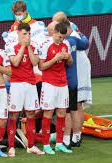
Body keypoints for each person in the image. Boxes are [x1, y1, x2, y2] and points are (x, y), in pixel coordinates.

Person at [52, 11, 92, 147]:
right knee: (75, 108)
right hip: (75, 79)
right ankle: (76, 137)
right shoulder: (74, 39)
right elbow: (85, 44)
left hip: (67, 80)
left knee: (66, 111)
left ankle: (66, 139)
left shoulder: (64, 42)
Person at [5, 23, 45, 157]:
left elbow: (35, 63)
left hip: (31, 84)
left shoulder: (34, 45)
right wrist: (23, 46)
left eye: (28, 34)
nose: (27, 36)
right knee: (14, 115)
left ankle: (31, 146)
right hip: (16, 85)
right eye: (24, 34)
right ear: (18, 34)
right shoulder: (10, 46)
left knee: (31, 114)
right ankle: (11, 146)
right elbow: (15, 62)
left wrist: (28, 47)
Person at [39, 22, 73, 154]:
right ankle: (46, 144)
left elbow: (70, 63)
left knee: (61, 114)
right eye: (59, 37)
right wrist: (55, 59)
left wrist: (68, 57)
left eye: (63, 37)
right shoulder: (45, 45)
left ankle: (59, 143)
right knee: (48, 113)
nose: (61, 40)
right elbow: (41, 67)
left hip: (63, 83)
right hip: (49, 84)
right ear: (54, 33)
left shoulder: (66, 44)